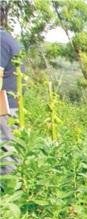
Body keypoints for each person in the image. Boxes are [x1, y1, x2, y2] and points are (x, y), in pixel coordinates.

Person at [0, 28, 21, 175]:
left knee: (7, 156)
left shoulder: (0, 41)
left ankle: (10, 194)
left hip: (4, 108)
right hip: (9, 106)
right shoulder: (6, 38)